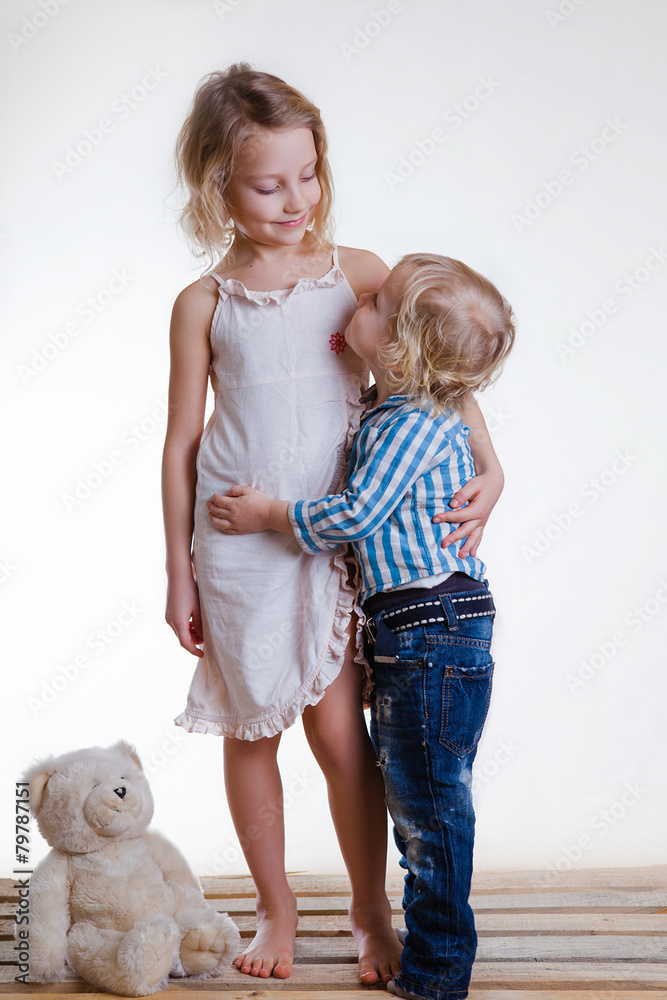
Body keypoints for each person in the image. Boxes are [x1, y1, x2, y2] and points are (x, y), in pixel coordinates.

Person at [162, 63, 504, 984]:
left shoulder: (358, 276)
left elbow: (440, 372)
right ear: (215, 185)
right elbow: (181, 446)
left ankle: (368, 910)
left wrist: (492, 465)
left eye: (306, 175)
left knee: (343, 737)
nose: (293, 199)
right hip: (239, 540)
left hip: (337, 541)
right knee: (250, 731)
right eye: (267, 185)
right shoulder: (205, 303)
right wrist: (178, 573)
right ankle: (275, 911)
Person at [209, 252, 515, 1000]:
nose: (363, 298)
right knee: (422, 794)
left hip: (427, 629)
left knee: (428, 803)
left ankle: (437, 967)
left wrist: (268, 515)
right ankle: (424, 944)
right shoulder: (399, 403)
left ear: (399, 351)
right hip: (421, 628)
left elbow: (351, 515)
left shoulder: (406, 426)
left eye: (375, 305)